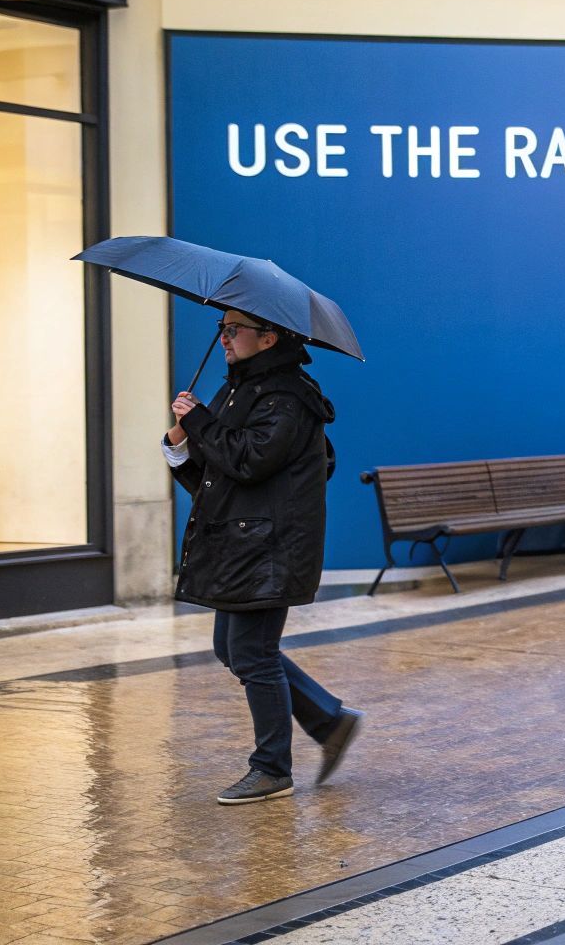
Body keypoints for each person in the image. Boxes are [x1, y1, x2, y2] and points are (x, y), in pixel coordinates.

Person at [165, 309, 363, 804]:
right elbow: (218, 476)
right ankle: (329, 722)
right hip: (243, 542)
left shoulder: (287, 398)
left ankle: (273, 768)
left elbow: (248, 460)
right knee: (234, 650)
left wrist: (200, 420)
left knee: (252, 652)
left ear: (269, 338)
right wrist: (179, 446)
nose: (224, 338)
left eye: (234, 330)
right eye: (221, 329)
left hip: (270, 547)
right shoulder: (240, 389)